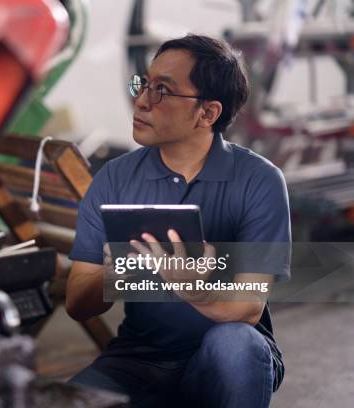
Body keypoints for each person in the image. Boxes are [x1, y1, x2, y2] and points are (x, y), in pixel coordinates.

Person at [66, 34, 291, 408]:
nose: (141, 100)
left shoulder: (260, 180)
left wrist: (194, 289)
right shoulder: (114, 178)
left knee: (236, 343)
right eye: (144, 84)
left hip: (224, 353)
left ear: (207, 113)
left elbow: (248, 308)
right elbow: (77, 303)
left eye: (162, 91)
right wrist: (115, 274)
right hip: (139, 357)